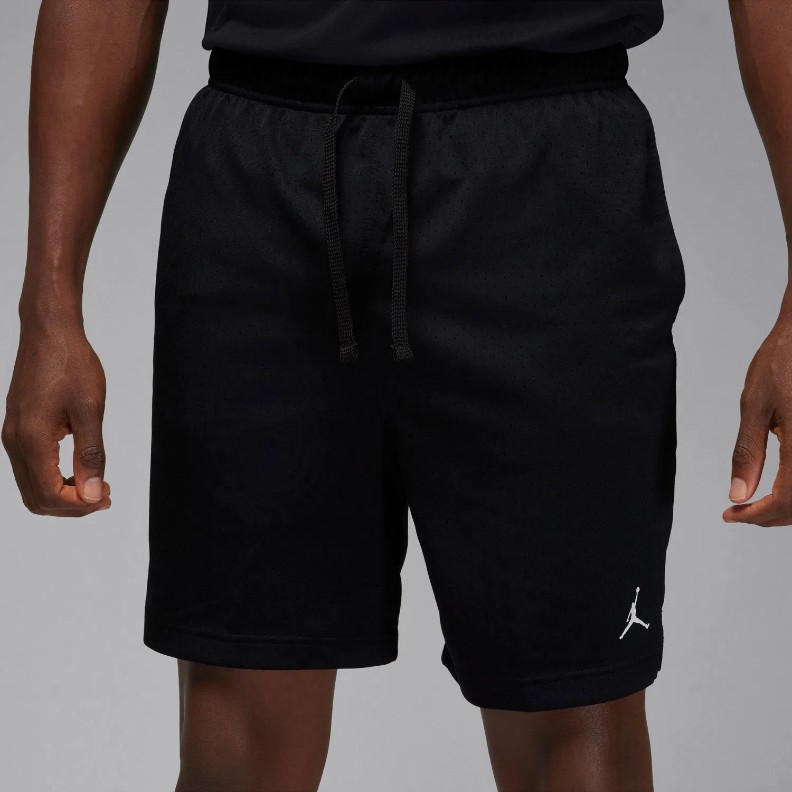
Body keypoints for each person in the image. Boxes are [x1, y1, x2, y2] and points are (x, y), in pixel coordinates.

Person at [3, 2, 792, 790]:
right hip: (260, 179)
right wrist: (49, 306)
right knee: (235, 733)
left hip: (547, 174)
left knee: (577, 718)